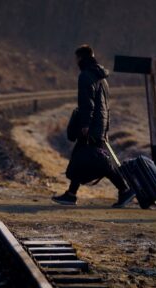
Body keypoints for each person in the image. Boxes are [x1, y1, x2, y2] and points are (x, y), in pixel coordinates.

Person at [52, 45, 135, 207]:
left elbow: (86, 103)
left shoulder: (85, 76)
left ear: (81, 58)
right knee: (80, 157)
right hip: (101, 124)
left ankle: (125, 190)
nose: (75, 62)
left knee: (99, 161)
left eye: (76, 59)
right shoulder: (102, 78)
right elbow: (103, 105)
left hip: (91, 126)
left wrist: (85, 125)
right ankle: (71, 194)